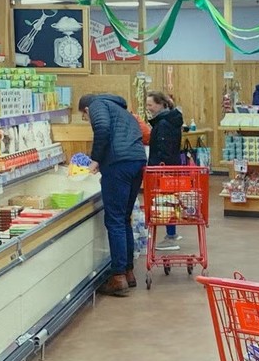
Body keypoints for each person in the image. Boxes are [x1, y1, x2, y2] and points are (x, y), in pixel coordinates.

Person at [79, 93, 147, 296]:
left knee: (115, 219)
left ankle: (118, 277)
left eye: (85, 117)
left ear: (87, 109)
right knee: (124, 218)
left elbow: (102, 128)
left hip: (119, 164)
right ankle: (128, 271)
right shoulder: (120, 110)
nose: (87, 120)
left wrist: (96, 159)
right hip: (136, 161)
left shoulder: (97, 104)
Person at [145, 91, 185, 251]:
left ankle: (171, 237)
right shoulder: (171, 120)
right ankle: (172, 233)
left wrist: (159, 168)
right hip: (172, 166)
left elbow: (163, 149)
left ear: (161, 104)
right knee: (171, 200)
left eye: (150, 105)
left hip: (163, 170)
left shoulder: (162, 124)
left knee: (166, 202)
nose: (148, 108)